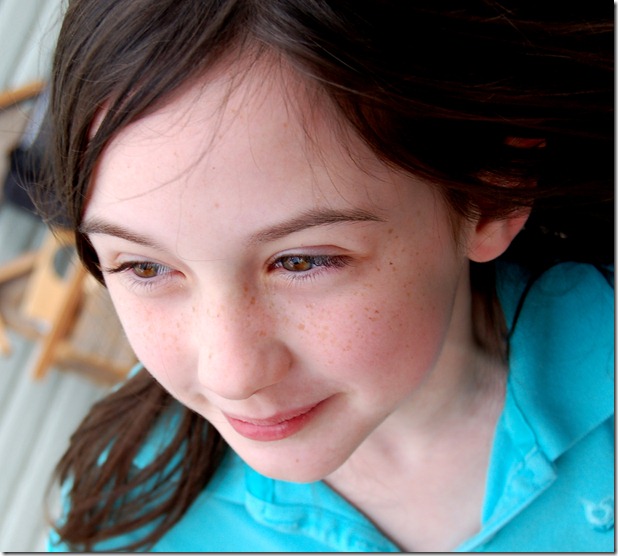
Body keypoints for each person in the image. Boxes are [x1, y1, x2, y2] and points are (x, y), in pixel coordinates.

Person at [41, 0, 613, 552]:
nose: (232, 375)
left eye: (301, 261)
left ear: (491, 194)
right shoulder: (121, 518)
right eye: (144, 267)